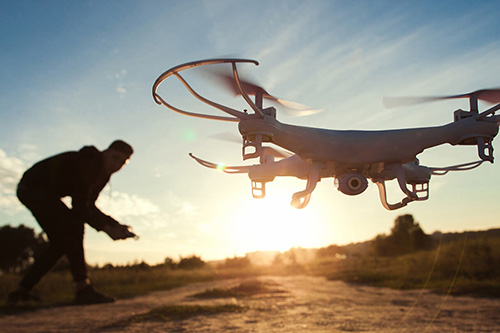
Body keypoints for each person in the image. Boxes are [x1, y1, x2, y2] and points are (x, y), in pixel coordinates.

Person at [7, 140, 135, 305]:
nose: (117, 164)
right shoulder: (90, 163)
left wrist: (114, 224)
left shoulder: (102, 174)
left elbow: (89, 206)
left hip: (44, 194)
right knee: (74, 225)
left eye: (122, 162)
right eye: (115, 158)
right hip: (32, 189)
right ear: (105, 152)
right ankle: (83, 289)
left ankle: (21, 291)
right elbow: (80, 208)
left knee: (60, 244)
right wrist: (106, 228)